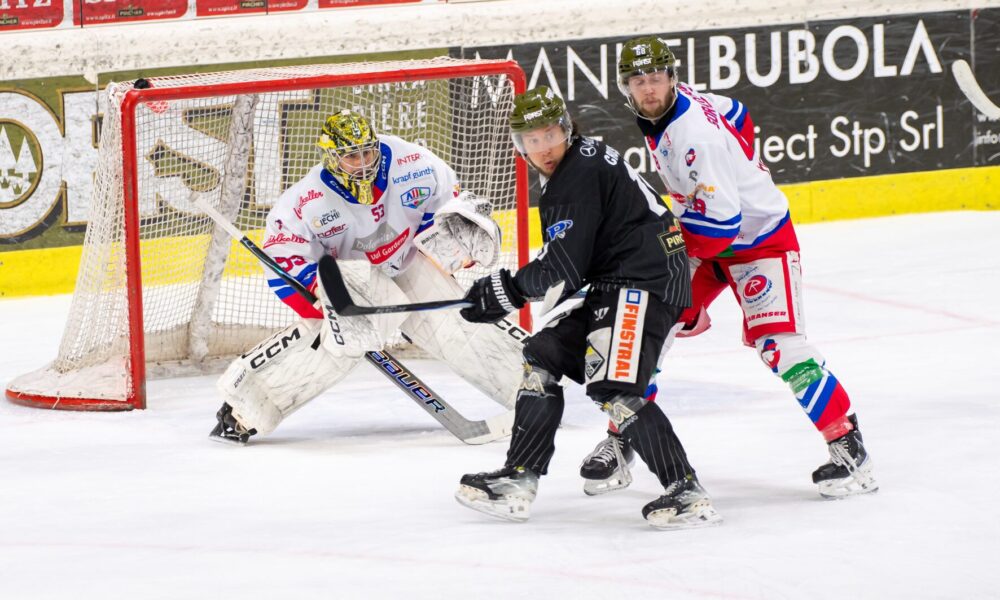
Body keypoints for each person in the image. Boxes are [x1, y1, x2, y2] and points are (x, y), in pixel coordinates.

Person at [581, 36, 878, 500]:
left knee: (780, 348)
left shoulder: (693, 135)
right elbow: (738, 112)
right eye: (638, 81)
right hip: (708, 236)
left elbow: (721, 227)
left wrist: (674, 258)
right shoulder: (667, 109)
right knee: (644, 335)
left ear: (671, 78)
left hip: (758, 243)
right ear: (625, 88)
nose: (649, 89)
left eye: (656, 79)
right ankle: (623, 441)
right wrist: (740, 163)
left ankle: (847, 448)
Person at [453, 86, 722, 530]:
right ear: (520, 146)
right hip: (626, 281)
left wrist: (505, 291)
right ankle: (519, 478)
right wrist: (512, 289)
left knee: (614, 387)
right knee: (542, 355)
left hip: (643, 284)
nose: (544, 148)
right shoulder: (581, 163)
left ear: (567, 129)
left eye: (551, 134)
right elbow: (572, 261)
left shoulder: (574, 176)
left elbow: (562, 268)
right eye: (532, 140)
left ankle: (687, 492)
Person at [209, 109, 524, 443]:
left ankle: (530, 390)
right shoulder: (305, 202)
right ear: (331, 157)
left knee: (456, 320)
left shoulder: (415, 163)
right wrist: (327, 304)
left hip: (406, 261)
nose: (362, 163)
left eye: (367, 152)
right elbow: (283, 260)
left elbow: (446, 206)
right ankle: (245, 409)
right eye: (350, 156)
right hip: (354, 283)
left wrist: (457, 240)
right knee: (336, 344)